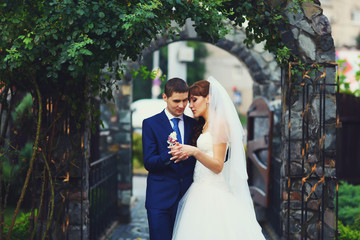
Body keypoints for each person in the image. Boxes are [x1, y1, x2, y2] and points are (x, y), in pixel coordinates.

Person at [169, 77, 266, 240]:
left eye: (194, 100)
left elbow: (218, 166)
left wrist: (194, 152)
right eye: (190, 101)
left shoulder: (220, 123)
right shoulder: (204, 125)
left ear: (209, 98)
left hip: (214, 192)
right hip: (198, 190)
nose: (190, 105)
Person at [142, 78, 197, 240]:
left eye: (185, 100)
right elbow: (149, 163)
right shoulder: (150, 124)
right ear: (165, 98)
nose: (182, 105)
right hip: (160, 200)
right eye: (176, 101)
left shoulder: (194, 124)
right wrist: (171, 154)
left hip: (189, 198)